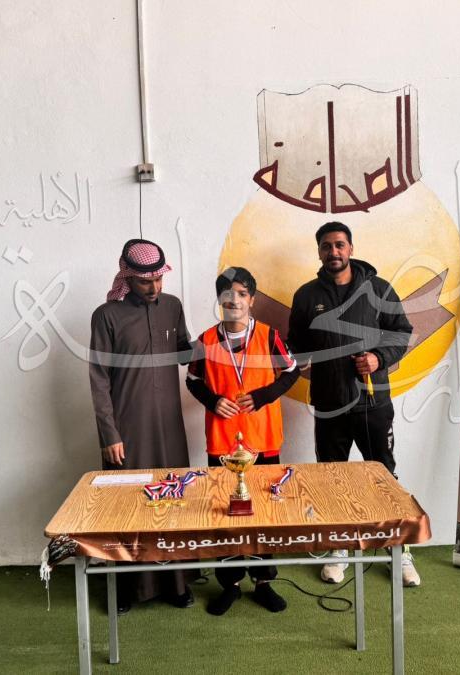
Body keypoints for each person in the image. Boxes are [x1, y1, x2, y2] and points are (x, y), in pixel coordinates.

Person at [287, 222, 419, 587]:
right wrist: (293, 357)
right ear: (319, 251)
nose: (334, 252)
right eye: (326, 246)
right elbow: (296, 345)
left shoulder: (379, 288)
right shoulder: (306, 295)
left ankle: (399, 551)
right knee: (332, 480)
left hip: (373, 404)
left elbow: (402, 332)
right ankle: (339, 548)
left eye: (340, 245)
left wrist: (378, 358)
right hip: (330, 405)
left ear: (351, 248)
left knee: (385, 478)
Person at [89, 238, 196, 614]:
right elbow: (99, 378)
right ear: (127, 278)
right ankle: (125, 589)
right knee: (128, 506)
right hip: (128, 429)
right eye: (144, 282)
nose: (154, 288)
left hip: (169, 426)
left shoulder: (172, 306)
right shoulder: (106, 315)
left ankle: (176, 583)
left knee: (172, 500)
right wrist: (109, 434)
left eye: (158, 280)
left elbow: (184, 352)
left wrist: (225, 339)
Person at [186, 267, 299, 615]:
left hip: (263, 438)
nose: (234, 300)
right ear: (219, 299)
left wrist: (264, 395)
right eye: (227, 294)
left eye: (241, 293)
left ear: (252, 299)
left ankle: (263, 581)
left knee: (264, 511)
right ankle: (230, 583)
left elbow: (292, 371)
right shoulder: (205, 341)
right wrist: (211, 400)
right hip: (223, 441)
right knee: (225, 512)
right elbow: (193, 380)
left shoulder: (269, 336)